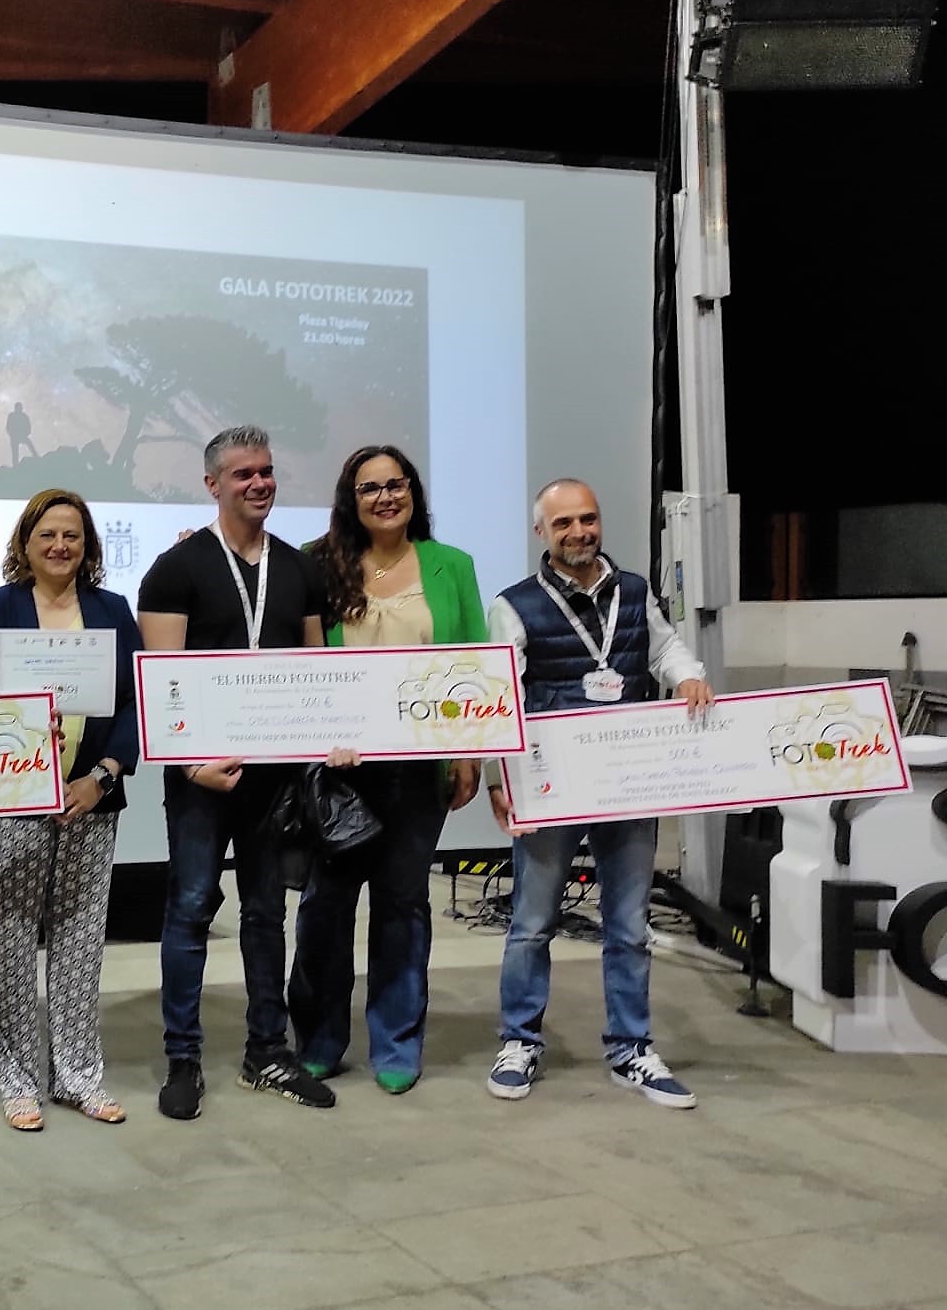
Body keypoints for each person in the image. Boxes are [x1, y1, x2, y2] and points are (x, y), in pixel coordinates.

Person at [483, 478, 711, 1109]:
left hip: (630, 783)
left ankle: (631, 1049)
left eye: (588, 519)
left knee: (629, 926)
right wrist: (503, 782)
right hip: (553, 788)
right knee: (531, 924)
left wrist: (689, 678)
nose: (579, 532)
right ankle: (520, 1041)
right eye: (563, 524)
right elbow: (498, 700)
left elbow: (666, 651)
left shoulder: (635, 592)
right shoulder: (512, 605)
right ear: (541, 534)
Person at [136, 424, 333, 1120]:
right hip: (202, 777)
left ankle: (265, 1053)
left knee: (264, 912)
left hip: (273, 779)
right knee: (190, 910)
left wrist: (326, 738)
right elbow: (159, 683)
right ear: (212, 484)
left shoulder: (300, 567)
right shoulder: (175, 569)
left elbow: (316, 673)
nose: (259, 483)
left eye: (268, 471)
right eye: (243, 473)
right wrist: (190, 763)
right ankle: (183, 1060)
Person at [286, 445, 486, 1096]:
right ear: (352, 498)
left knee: (403, 906)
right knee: (325, 909)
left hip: (416, 771)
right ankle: (318, 1039)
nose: (384, 497)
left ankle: (397, 1042)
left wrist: (467, 753)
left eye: (394, 485)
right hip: (339, 774)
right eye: (369, 488)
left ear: (413, 491)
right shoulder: (316, 564)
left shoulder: (452, 567)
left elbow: (473, 666)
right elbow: (297, 660)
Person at [0, 489, 141, 1129]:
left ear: (88, 544)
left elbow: (131, 704)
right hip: (12, 797)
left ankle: (78, 1075)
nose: (60, 545)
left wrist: (100, 775)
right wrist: (23, 770)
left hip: (92, 796)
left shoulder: (113, 612)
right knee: (9, 938)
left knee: (80, 939)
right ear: (25, 544)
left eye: (72, 535)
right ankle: (17, 1080)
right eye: (47, 535)